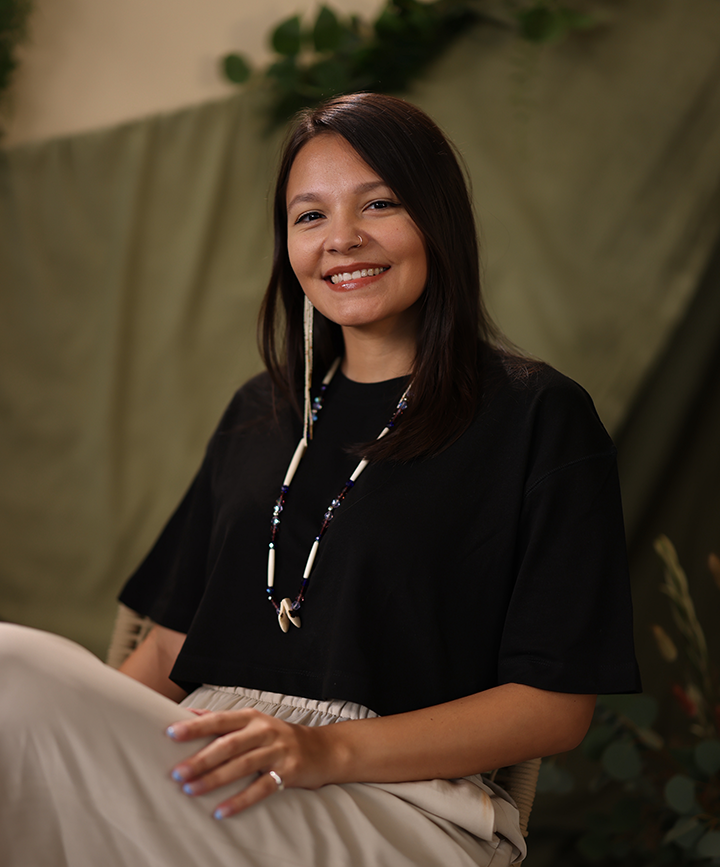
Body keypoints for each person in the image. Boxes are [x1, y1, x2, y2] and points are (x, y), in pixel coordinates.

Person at [0, 92, 640, 866]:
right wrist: (90, 736)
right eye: (310, 216)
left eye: (380, 203)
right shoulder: (260, 411)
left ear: (438, 220)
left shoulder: (538, 416)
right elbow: (169, 649)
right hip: (202, 769)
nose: (343, 239)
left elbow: (553, 707)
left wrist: (322, 749)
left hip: (393, 801)